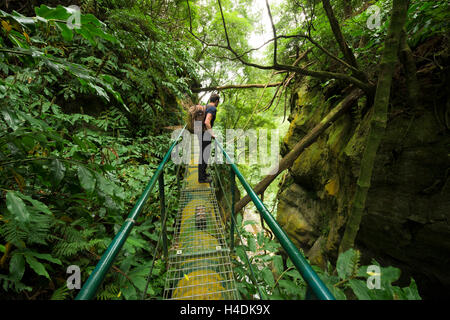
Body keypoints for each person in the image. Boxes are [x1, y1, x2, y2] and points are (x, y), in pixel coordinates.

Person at [198, 93, 219, 183]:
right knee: (204, 155)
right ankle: (202, 178)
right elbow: (207, 122)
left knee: (203, 154)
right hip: (205, 134)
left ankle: (203, 174)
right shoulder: (212, 108)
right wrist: (212, 134)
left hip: (200, 133)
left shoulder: (206, 106)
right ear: (217, 101)